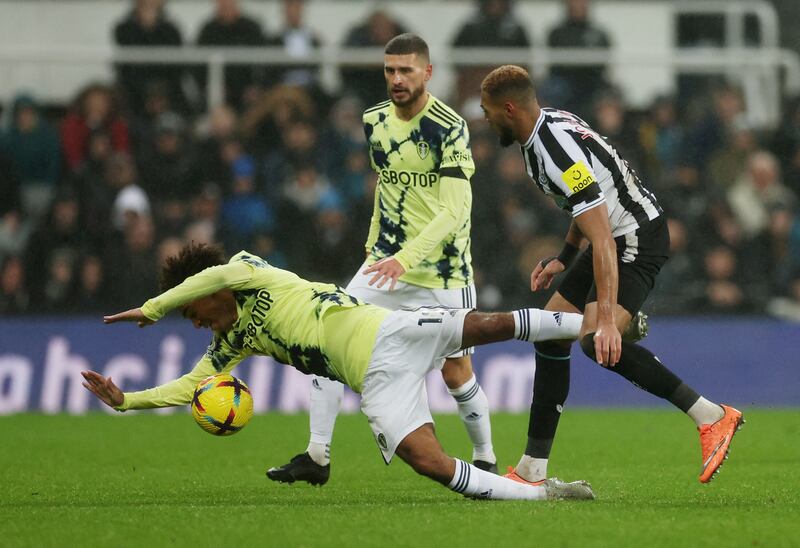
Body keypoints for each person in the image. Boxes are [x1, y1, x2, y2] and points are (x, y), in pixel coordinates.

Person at [82, 243, 594, 502]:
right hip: (374, 381)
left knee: (486, 327)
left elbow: (216, 275)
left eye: (189, 310)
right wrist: (127, 401)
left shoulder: (249, 271)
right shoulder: (232, 340)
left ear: (198, 292)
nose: (193, 322)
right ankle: (540, 495)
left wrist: (152, 308)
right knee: (429, 463)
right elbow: (191, 386)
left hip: (385, 331)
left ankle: (594, 326)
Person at [479, 65, 744, 485]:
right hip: (613, 235)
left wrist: (605, 318)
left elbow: (602, 237)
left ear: (509, 108)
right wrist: (564, 257)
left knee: (595, 342)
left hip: (634, 238)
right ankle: (533, 469)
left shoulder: (553, 150)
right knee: (551, 332)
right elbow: (586, 206)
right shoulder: (545, 130)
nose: (485, 118)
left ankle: (711, 415)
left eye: (488, 110)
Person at [267, 33, 512, 486]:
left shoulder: (449, 126)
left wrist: (406, 257)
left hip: (442, 272)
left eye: (406, 71)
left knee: (456, 373)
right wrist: (375, 242)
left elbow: (454, 211)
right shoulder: (374, 120)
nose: (396, 79)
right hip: (384, 264)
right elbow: (386, 186)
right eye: (390, 71)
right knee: (325, 340)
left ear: (428, 73)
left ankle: (486, 458)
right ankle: (316, 457)